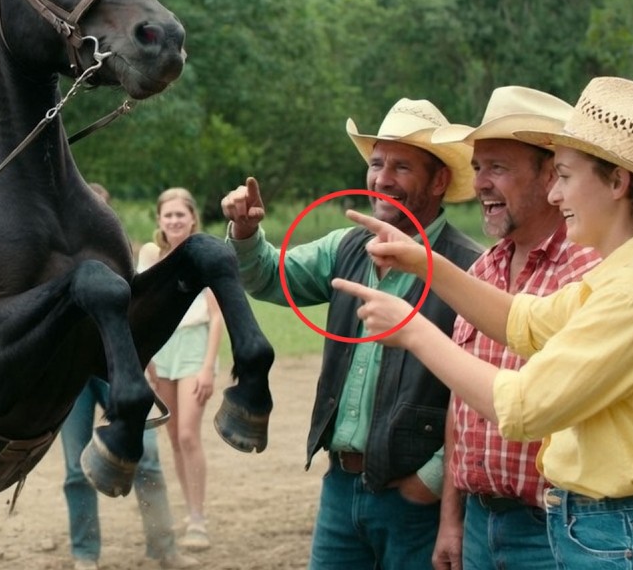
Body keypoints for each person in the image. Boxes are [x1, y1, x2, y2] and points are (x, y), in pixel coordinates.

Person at [334, 77, 633, 568]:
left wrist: (414, 330)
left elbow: (524, 407)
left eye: (565, 176)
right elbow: (526, 320)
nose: (556, 195)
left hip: (622, 537)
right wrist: (424, 263)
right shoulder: (632, 274)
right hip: (617, 530)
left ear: (617, 182)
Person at [222, 98, 482, 569]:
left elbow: (482, 395)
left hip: (416, 504)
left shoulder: (469, 268)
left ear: (439, 180)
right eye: (377, 163)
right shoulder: (347, 245)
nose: (382, 178)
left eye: (402, 166)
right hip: (341, 490)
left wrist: (432, 478)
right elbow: (267, 274)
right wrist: (244, 233)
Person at [426, 86, 601, 570]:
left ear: (550, 175)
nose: (481, 183)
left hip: (560, 528)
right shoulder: (482, 270)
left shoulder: (588, 270)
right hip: (482, 524)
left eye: (497, 168)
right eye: (478, 167)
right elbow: (461, 404)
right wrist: (452, 521)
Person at [60, 183, 199, 570]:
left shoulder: (119, 260)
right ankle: (85, 555)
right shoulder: (54, 259)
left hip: (115, 368)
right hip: (72, 378)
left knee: (148, 458)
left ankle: (164, 547)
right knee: (76, 469)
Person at [139, 187, 223, 551]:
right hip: (161, 348)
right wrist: (145, 357)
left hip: (194, 347)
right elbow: (140, 308)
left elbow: (218, 315)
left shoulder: (205, 254)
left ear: (193, 218)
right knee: (172, 436)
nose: (174, 220)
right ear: (159, 219)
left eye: (180, 214)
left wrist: (207, 368)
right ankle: (186, 511)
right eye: (168, 215)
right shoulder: (149, 253)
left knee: (189, 434)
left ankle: (198, 518)